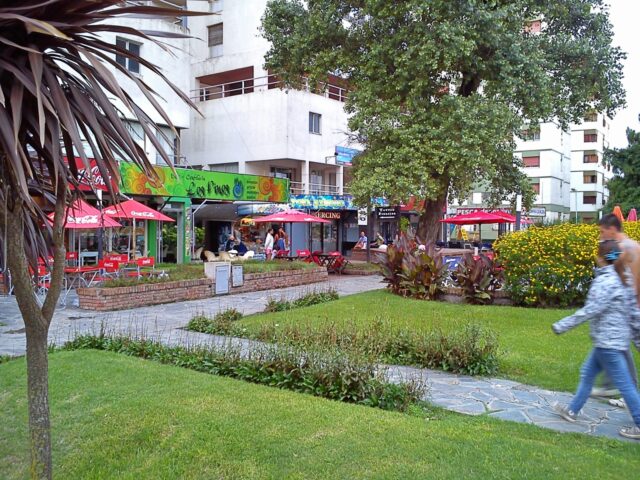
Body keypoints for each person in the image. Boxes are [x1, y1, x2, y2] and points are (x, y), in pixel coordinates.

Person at [551, 239, 640, 439]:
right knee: (587, 374)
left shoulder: (605, 281)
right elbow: (634, 314)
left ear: (600, 258)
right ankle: (572, 411)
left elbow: (590, 310)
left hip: (608, 345)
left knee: (624, 384)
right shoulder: (624, 278)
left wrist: (563, 324)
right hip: (609, 342)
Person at [593, 214, 640, 403]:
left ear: (612, 229)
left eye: (602, 231)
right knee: (621, 349)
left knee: (620, 349)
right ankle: (628, 394)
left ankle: (612, 387)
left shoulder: (629, 248)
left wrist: (634, 305)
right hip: (626, 310)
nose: (600, 236)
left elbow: (637, 279)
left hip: (633, 309)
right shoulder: (618, 249)